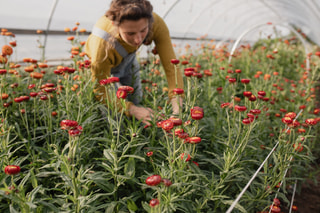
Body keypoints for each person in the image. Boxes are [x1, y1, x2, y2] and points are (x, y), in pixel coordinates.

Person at [85, 0, 184, 125]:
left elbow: (172, 67)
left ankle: (138, 135)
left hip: (128, 60)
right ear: (115, 25)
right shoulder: (101, 45)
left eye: (143, 30)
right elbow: (101, 90)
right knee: (112, 117)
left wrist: (177, 107)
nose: (138, 40)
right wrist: (132, 109)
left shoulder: (157, 23)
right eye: (130, 33)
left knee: (136, 99)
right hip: (101, 67)